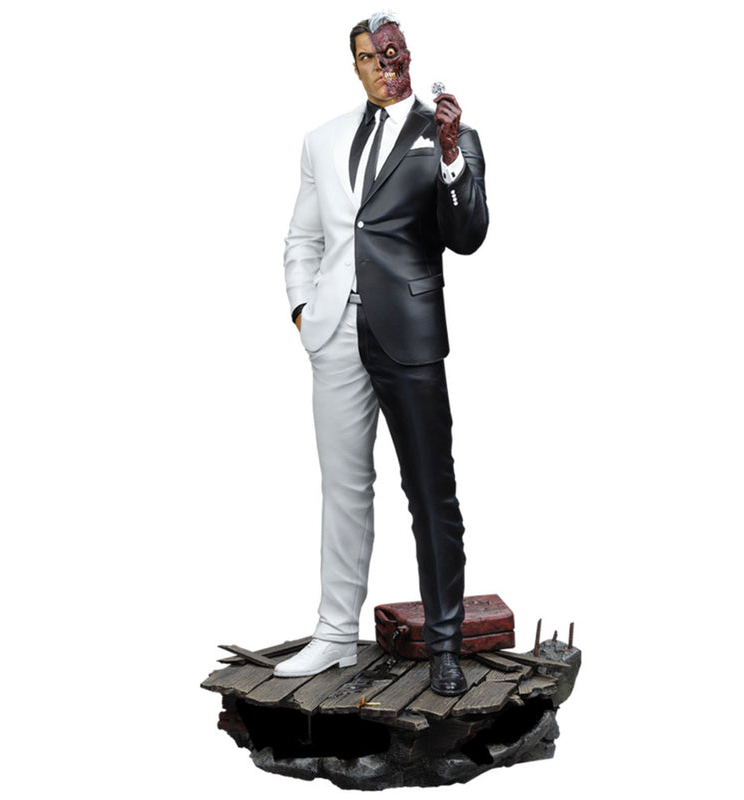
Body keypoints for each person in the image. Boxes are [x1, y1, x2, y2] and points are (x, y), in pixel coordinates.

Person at [277, 11, 489, 695]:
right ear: (357, 66)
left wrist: (451, 157)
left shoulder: (448, 133)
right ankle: (335, 635)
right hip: (334, 332)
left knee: (430, 492)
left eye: (392, 52)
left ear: (408, 54)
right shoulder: (322, 139)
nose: (384, 64)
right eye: (370, 56)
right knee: (342, 488)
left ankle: (446, 644)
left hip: (410, 334)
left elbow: (468, 234)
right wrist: (303, 309)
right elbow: (303, 237)